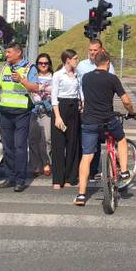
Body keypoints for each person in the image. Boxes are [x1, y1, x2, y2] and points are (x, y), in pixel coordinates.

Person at [75, 50, 136, 206]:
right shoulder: (112, 79)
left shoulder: (87, 78)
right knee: (121, 139)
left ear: (96, 63)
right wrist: (131, 112)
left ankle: (81, 195)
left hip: (89, 121)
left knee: (86, 156)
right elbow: (126, 100)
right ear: (107, 63)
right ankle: (123, 171)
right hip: (107, 120)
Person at [0, 42, 38, 192]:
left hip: (21, 113)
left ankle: (21, 179)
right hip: (5, 112)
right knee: (7, 147)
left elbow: (36, 87)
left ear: (18, 53)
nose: (6, 55)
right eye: (6, 52)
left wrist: (22, 80)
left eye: (8, 52)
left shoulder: (29, 68)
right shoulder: (6, 67)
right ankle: (10, 177)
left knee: (20, 147)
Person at [76, 38, 114, 180]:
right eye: (90, 50)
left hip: (102, 109)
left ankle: (94, 169)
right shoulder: (82, 65)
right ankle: (85, 171)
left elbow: (112, 85)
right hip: (85, 108)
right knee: (86, 141)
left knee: (98, 141)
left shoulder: (108, 66)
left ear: (101, 50)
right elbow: (77, 84)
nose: (92, 53)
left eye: (95, 50)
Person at [50, 49, 82, 190]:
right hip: (61, 107)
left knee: (72, 144)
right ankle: (57, 178)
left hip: (74, 107)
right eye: (75, 58)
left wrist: (82, 102)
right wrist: (57, 116)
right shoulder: (58, 75)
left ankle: (70, 177)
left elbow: (80, 91)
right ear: (68, 60)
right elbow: (54, 97)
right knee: (58, 144)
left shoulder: (77, 75)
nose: (77, 61)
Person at [28, 53, 53, 182]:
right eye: (40, 63)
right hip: (34, 110)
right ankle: (35, 165)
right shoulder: (33, 77)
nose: (43, 65)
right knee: (33, 139)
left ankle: (46, 162)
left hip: (47, 111)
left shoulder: (54, 77)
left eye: (46, 63)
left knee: (47, 139)